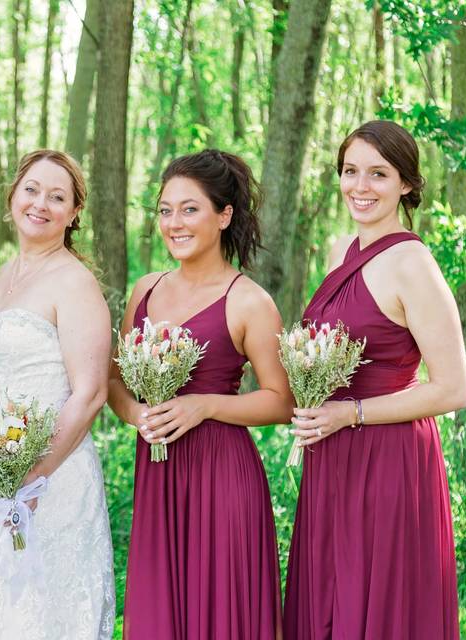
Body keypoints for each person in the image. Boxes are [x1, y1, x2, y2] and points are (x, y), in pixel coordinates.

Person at [283, 120, 466, 639]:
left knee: (381, 600)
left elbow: (454, 389)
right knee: (330, 597)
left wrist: (352, 412)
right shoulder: (341, 249)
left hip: (388, 459)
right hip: (333, 456)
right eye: (350, 171)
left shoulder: (413, 263)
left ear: (406, 184)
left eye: (378, 174)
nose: (359, 187)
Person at [108, 150, 291, 639]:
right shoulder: (145, 290)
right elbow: (115, 381)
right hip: (159, 475)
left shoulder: (248, 300)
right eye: (166, 210)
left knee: (219, 614)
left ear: (224, 215)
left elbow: (281, 400)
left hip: (222, 480)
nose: (174, 223)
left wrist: (205, 405)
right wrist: (136, 415)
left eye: (190, 209)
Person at [0, 149, 115, 639]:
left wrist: (30, 481)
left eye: (57, 196)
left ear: (74, 212)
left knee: (40, 611)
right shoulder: (6, 272)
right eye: (32, 190)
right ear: (12, 197)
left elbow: (89, 394)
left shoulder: (75, 282)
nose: (41, 203)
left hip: (49, 479)